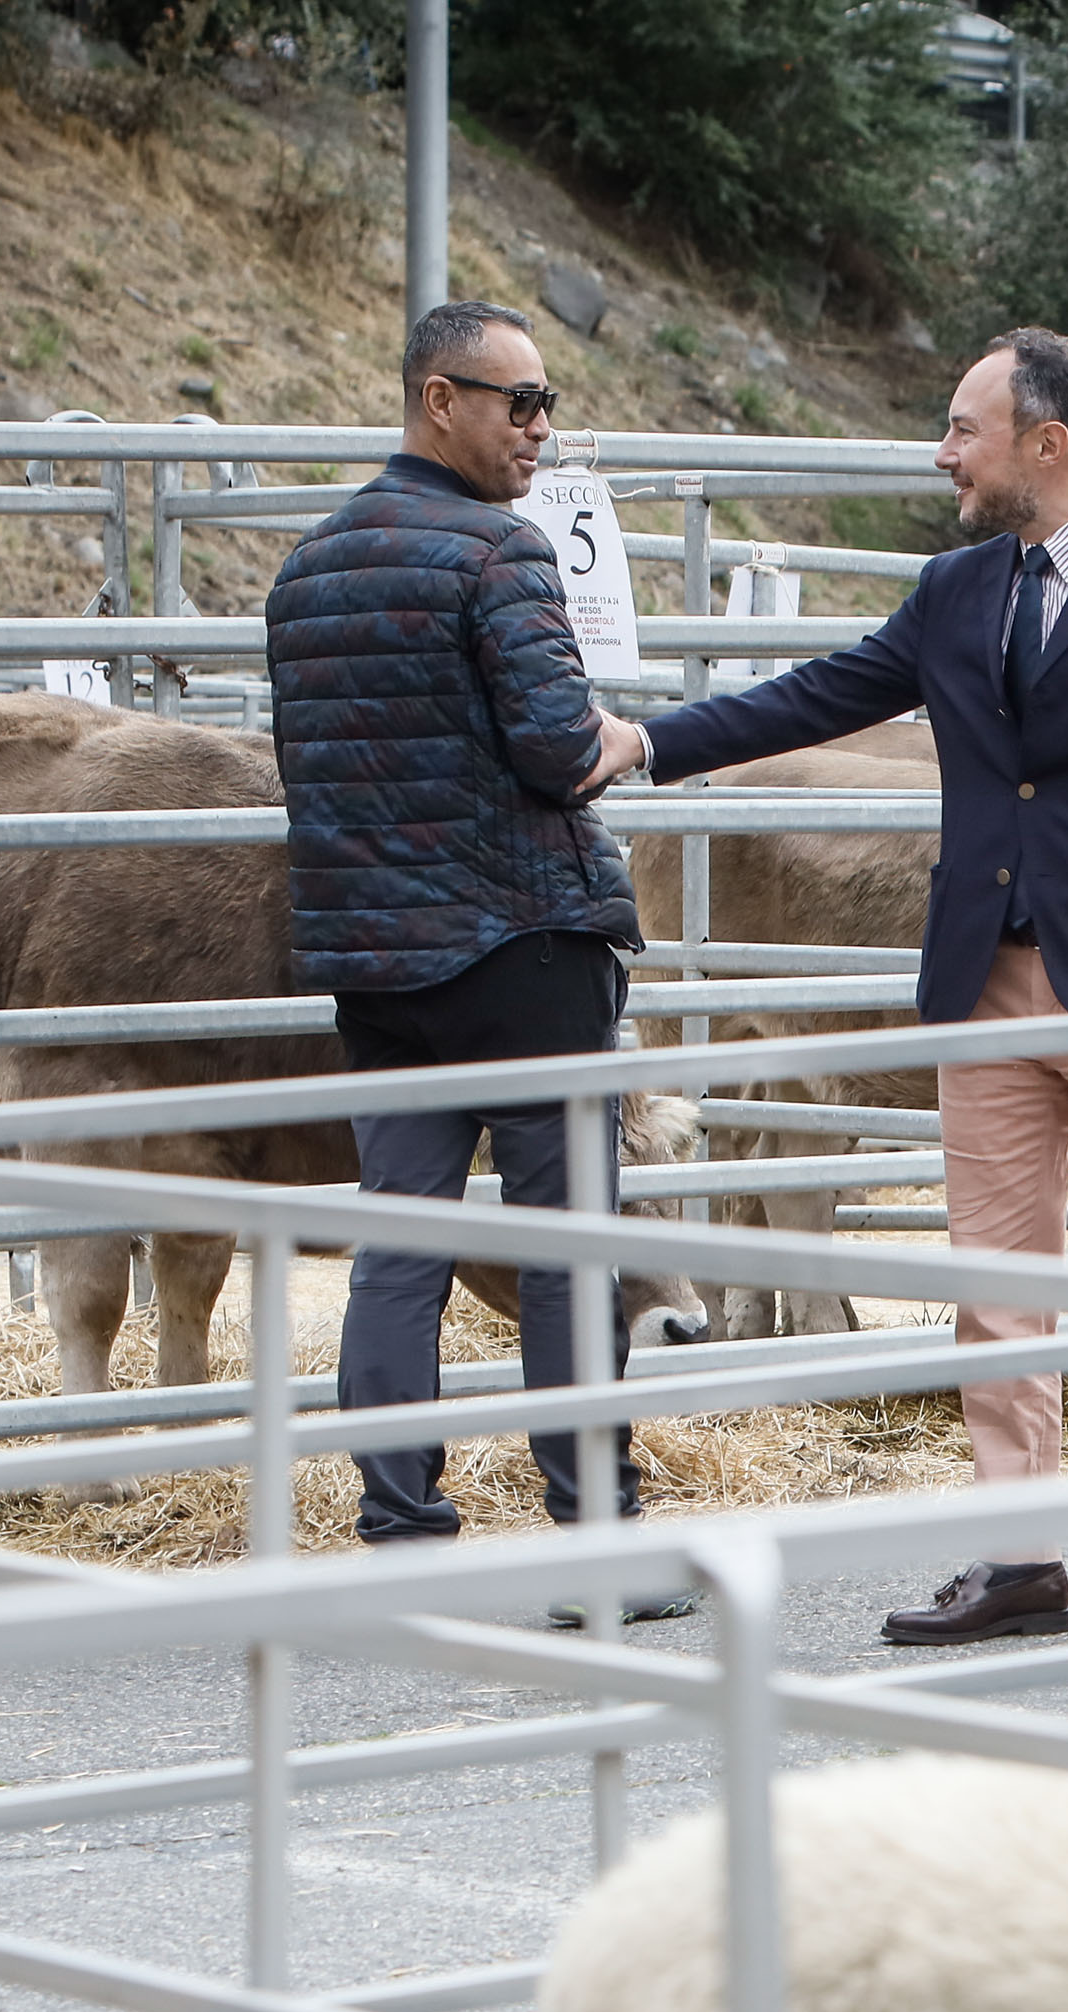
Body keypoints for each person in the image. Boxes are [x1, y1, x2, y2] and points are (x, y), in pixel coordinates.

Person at [610, 327, 1068, 1642]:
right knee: (997, 1280)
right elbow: (823, 692)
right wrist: (651, 741)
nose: (943, 452)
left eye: (963, 427)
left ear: (1047, 440)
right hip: (987, 982)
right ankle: (1020, 1555)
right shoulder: (956, 587)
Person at [262, 297, 689, 1623]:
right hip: (523, 947)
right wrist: (621, 735)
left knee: (400, 1246)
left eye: (549, 403)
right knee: (563, 1246)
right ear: (437, 399)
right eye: (520, 402)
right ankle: (592, 1541)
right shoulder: (498, 553)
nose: (541, 428)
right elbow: (559, 749)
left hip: (379, 963)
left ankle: (401, 1538)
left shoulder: (308, 568)